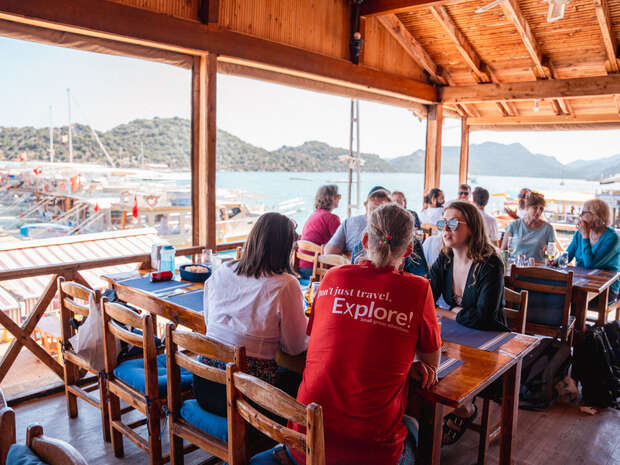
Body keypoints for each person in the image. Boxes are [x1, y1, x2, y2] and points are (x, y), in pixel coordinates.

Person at [292, 203, 441, 465]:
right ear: (408, 249)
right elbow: (431, 365)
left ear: (364, 240)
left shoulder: (332, 277)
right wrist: (408, 366)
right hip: (371, 454)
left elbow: (324, 340)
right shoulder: (418, 289)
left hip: (303, 445)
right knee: (418, 428)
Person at [196, 212, 308, 415]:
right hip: (244, 397)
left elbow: (209, 321)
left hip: (204, 384)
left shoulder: (222, 271)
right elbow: (294, 347)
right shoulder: (285, 284)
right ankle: (290, 444)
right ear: (285, 249)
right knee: (303, 383)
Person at [428, 201, 508, 445]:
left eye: (453, 223)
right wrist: (448, 311)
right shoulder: (444, 259)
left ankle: (465, 408)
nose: (446, 229)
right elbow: (426, 298)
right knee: (428, 368)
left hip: (491, 340)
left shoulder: (491, 264)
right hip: (458, 335)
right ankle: (445, 412)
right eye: (443, 223)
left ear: (472, 228)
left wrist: (446, 311)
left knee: (446, 375)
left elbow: (483, 317)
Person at [567, 199, 620, 304]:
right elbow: (567, 255)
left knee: (572, 298)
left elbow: (590, 265)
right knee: (559, 293)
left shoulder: (612, 238)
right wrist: (555, 261)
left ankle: (576, 320)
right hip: (580, 283)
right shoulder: (579, 234)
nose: (580, 216)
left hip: (605, 288)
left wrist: (585, 236)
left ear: (595, 215)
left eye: (583, 213)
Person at [324, 186, 391, 255]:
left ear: (365, 204)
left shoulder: (349, 223)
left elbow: (329, 252)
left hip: (350, 264)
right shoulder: (394, 227)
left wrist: (348, 256)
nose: (377, 201)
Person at [298, 185, 341, 278]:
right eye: (338, 196)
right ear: (332, 198)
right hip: (317, 268)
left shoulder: (314, 215)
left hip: (302, 266)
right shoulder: (332, 218)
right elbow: (340, 243)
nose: (339, 199)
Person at [501, 191, 556, 261]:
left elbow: (553, 254)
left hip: (538, 270)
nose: (538, 212)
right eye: (535, 208)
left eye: (541, 209)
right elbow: (503, 251)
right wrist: (506, 267)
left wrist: (548, 252)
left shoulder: (548, 229)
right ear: (527, 207)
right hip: (516, 269)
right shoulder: (513, 225)